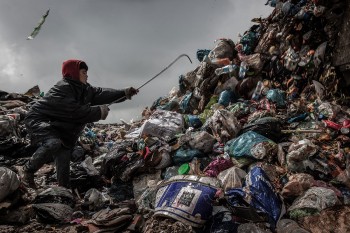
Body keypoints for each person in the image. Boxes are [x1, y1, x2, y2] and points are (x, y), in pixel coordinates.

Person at [21, 59, 139, 188]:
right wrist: (99, 111)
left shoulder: (85, 89)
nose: (87, 75)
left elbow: (101, 93)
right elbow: (74, 111)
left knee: (64, 157)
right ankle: (27, 170)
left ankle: (63, 191)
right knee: (53, 143)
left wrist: (124, 93)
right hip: (39, 120)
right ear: (73, 73)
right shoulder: (63, 88)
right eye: (83, 72)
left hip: (60, 128)